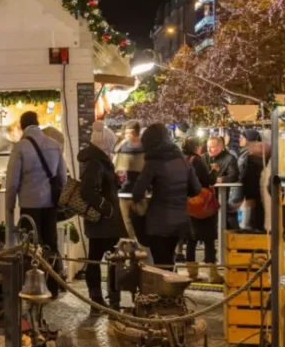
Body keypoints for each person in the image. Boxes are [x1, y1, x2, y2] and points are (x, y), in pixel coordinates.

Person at [6, 111, 68, 296]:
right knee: (51, 242)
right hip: (50, 203)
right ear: (38, 123)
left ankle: (32, 287)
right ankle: (53, 285)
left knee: (30, 246)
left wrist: (9, 206)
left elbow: (12, 182)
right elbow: (63, 178)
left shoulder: (20, 147)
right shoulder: (54, 145)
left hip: (29, 203)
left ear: (22, 126)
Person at [128, 123, 201, 267]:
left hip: (158, 221)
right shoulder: (183, 160)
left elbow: (137, 192)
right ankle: (173, 287)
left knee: (161, 262)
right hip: (180, 219)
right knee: (169, 259)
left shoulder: (153, 162)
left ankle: (165, 288)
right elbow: (196, 189)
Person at [78, 121, 125, 309]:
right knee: (102, 259)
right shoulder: (97, 162)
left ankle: (105, 299)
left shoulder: (99, 160)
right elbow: (87, 191)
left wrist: (116, 182)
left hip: (104, 221)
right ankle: (102, 299)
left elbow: (100, 187)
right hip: (103, 220)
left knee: (101, 259)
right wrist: (107, 209)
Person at [183, 139, 220, 283]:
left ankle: (192, 272)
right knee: (209, 238)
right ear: (196, 147)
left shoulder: (181, 158)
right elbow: (208, 181)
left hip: (187, 203)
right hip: (202, 203)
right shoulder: (197, 160)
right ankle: (212, 273)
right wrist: (214, 171)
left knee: (191, 239)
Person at [235, 130, 266, 231]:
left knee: (254, 208)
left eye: (243, 138)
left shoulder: (254, 153)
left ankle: (255, 229)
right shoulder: (246, 152)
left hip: (252, 185)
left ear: (249, 140)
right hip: (248, 184)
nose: (240, 139)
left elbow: (250, 171)